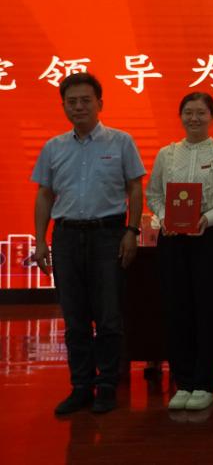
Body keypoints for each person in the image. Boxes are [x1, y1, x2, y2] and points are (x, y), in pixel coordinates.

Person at [31, 72, 146, 415]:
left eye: (85, 100)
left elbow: (135, 188)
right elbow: (45, 194)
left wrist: (132, 231)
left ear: (100, 103)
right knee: (75, 317)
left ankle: (107, 385)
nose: (78, 107)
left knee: (109, 315)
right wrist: (40, 240)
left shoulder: (121, 142)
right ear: (64, 106)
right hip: (66, 236)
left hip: (108, 234)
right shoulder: (53, 147)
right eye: (72, 102)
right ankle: (81, 386)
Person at [146, 92, 213, 411]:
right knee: (177, 309)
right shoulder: (167, 154)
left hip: (209, 239)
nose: (194, 118)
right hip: (172, 240)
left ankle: (204, 383)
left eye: (201, 112)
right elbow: (153, 195)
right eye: (188, 112)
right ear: (180, 116)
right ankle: (183, 381)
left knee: (209, 309)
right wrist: (165, 217)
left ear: (212, 117)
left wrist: (208, 218)